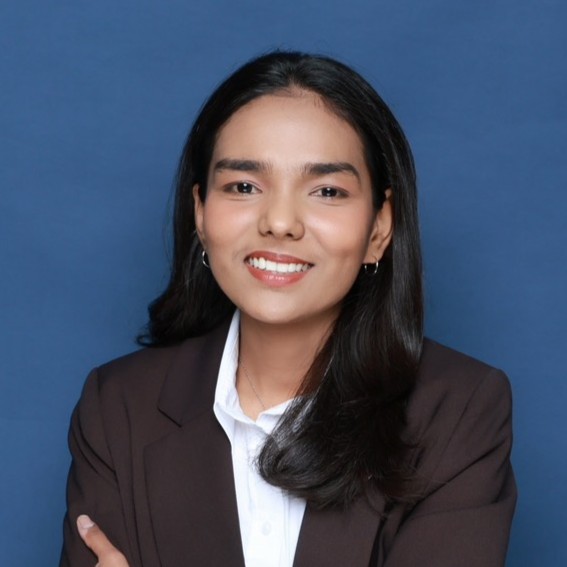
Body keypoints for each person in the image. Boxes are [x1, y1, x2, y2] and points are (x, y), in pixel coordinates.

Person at [60, 51, 516, 567]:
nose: (279, 222)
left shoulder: (459, 409)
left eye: (327, 191)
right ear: (200, 213)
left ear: (380, 228)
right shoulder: (118, 406)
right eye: (244, 186)